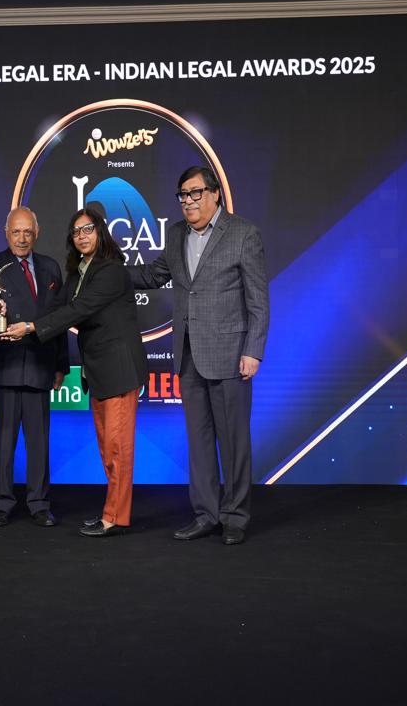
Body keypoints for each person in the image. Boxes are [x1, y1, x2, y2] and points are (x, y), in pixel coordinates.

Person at [129, 165, 269, 545]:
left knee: (234, 442)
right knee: (200, 441)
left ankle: (235, 516)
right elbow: (154, 275)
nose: (188, 201)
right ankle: (206, 514)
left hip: (230, 356)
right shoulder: (176, 235)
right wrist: (105, 271)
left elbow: (258, 301)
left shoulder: (243, 234)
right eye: (183, 195)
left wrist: (253, 351)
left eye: (195, 193)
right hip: (188, 356)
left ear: (214, 194)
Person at [3, 206, 147, 537]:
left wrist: (31, 328)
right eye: (76, 231)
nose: (81, 236)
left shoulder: (111, 270)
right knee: (107, 449)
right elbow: (56, 307)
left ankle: (114, 517)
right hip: (99, 373)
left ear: (101, 232)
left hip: (119, 371)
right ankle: (111, 512)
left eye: (88, 229)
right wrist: (14, 318)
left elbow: (78, 310)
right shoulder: (79, 272)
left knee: (118, 449)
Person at [0, 206, 68, 527]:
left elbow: (59, 319)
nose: (21, 238)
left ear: (37, 233)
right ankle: (2, 503)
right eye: (16, 232)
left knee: (39, 441)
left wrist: (61, 365)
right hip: (5, 365)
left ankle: (39, 503)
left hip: (41, 364)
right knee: (3, 441)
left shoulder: (50, 267)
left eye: (27, 232)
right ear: (6, 233)